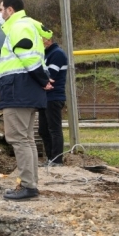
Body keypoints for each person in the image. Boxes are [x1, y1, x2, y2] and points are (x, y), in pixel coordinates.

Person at [0, 0, 53, 200]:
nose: (0, 13)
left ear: (10, 10)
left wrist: (42, 80)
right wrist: (43, 80)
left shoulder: (18, 27)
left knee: (19, 139)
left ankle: (28, 186)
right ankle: (31, 184)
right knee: (27, 139)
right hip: (25, 91)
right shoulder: (27, 26)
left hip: (17, 91)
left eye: (1, 9)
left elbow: (28, 57)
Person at [39, 35, 67, 166]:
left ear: (48, 40)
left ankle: (57, 160)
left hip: (54, 97)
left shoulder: (57, 54)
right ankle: (50, 158)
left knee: (54, 129)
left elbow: (50, 76)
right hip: (46, 98)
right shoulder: (46, 54)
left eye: (41, 40)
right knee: (43, 130)